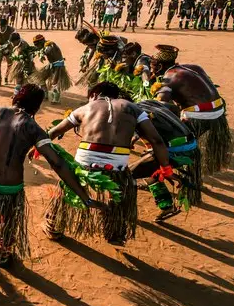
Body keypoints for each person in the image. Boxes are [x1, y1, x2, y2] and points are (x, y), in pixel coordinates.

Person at [0, 85, 98, 289]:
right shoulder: (33, 128)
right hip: (10, 188)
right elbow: (57, 163)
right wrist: (83, 195)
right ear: (36, 107)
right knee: (10, 221)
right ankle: (3, 251)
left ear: (14, 98)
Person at [44, 81, 171, 245]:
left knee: (68, 186)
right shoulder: (133, 108)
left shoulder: (85, 108)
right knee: (119, 191)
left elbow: (54, 132)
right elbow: (156, 140)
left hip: (85, 161)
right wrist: (165, 167)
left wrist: (38, 147)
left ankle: (53, 225)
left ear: (94, 94)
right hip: (117, 164)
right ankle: (115, 232)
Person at [151, 44, 232, 174]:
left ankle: (184, 172)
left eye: (152, 67)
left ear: (160, 66)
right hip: (219, 112)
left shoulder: (168, 79)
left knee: (168, 141)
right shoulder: (194, 68)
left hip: (199, 117)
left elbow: (160, 106)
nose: (151, 71)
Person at [130, 100, 202, 222]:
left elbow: (156, 142)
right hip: (192, 146)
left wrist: (166, 168)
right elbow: (174, 108)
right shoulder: (148, 103)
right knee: (149, 168)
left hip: (175, 152)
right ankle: (166, 206)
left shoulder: (127, 114)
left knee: (127, 174)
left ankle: (124, 212)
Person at [30, 35, 71, 104]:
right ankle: (45, 95)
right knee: (40, 78)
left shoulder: (50, 44)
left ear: (41, 41)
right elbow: (39, 50)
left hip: (58, 65)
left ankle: (56, 99)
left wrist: (40, 52)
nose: (37, 46)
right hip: (51, 65)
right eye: (35, 45)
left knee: (54, 82)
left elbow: (48, 51)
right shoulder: (43, 46)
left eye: (37, 44)